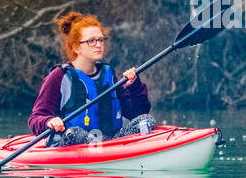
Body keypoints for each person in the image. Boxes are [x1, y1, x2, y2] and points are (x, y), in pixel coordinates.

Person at [28, 12, 155, 146]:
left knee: (147, 120)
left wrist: (135, 85)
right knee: (75, 132)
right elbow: (35, 118)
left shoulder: (109, 75)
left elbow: (137, 113)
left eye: (100, 40)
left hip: (111, 142)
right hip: (73, 142)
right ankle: (99, 147)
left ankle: (108, 148)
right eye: (91, 41)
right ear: (76, 47)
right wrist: (49, 121)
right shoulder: (59, 77)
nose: (98, 45)